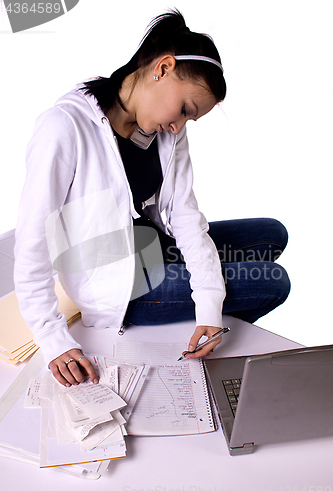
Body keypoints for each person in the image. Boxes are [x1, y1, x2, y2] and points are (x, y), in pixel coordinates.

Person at [14, 10, 290, 388]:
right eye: (185, 111)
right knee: (273, 281)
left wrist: (209, 300)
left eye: (189, 120)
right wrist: (52, 338)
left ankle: (201, 327)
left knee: (272, 234)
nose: (179, 126)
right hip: (116, 283)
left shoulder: (165, 133)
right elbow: (31, 241)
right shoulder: (64, 127)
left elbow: (185, 216)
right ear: (163, 68)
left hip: (154, 248)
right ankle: (192, 345)